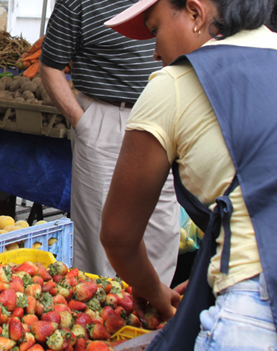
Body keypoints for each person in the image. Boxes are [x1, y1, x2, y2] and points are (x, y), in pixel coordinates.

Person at [101, 0, 277, 349]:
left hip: (254, 313)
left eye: (155, 31)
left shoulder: (175, 83)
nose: (154, 52)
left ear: (195, 14)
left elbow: (119, 236)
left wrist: (153, 289)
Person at [39, 0, 180, 284]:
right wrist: (83, 122)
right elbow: (50, 65)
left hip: (163, 117)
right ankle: (98, 315)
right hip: (105, 118)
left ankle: (154, 314)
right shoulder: (77, 2)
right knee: (99, 232)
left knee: (162, 228)